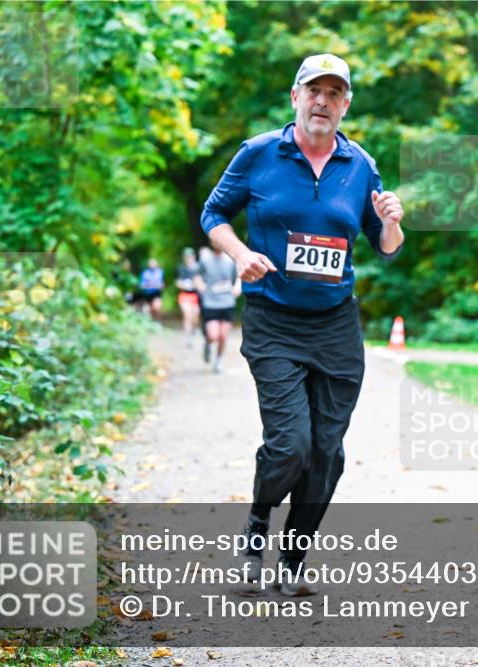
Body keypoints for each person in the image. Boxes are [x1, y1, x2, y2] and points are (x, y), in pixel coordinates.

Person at [199, 53, 404, 595]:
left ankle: (292, 559)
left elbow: (385, 246)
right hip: (273, 321)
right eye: (314, 90)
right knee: (291, 443)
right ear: (295, 97)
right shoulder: (260, 154)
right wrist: (240, 253)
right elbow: (212, 215)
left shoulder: (360, 164)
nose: (323, 101)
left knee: (327, 454)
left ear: (345, 105)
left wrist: (391, 225)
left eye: (334, 93)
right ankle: (257, 523)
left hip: (336, 325)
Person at [194, 242, 240, 373]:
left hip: (227, 302)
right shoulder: (205, 259)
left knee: (223, 336)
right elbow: (197, 276)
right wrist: (200, 285)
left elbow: (239, 276)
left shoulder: (231, 259)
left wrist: (237, 287)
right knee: (213, 335)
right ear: (212, 243)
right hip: (211, 303)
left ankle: (219, 360)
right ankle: (208, 344)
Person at [175, 247, 201, 348]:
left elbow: (202, 282)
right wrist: (184, 285)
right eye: (186, 257)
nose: (188, 258)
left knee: (195, 317)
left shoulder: (198, 268)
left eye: (190, 256)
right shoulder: (181, 268)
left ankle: (193, 331)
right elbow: (178, 282)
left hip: (195, 295)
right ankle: (188, 338)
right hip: (185, 295)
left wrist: (195, 285)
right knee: (187, 315)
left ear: (194, 257)